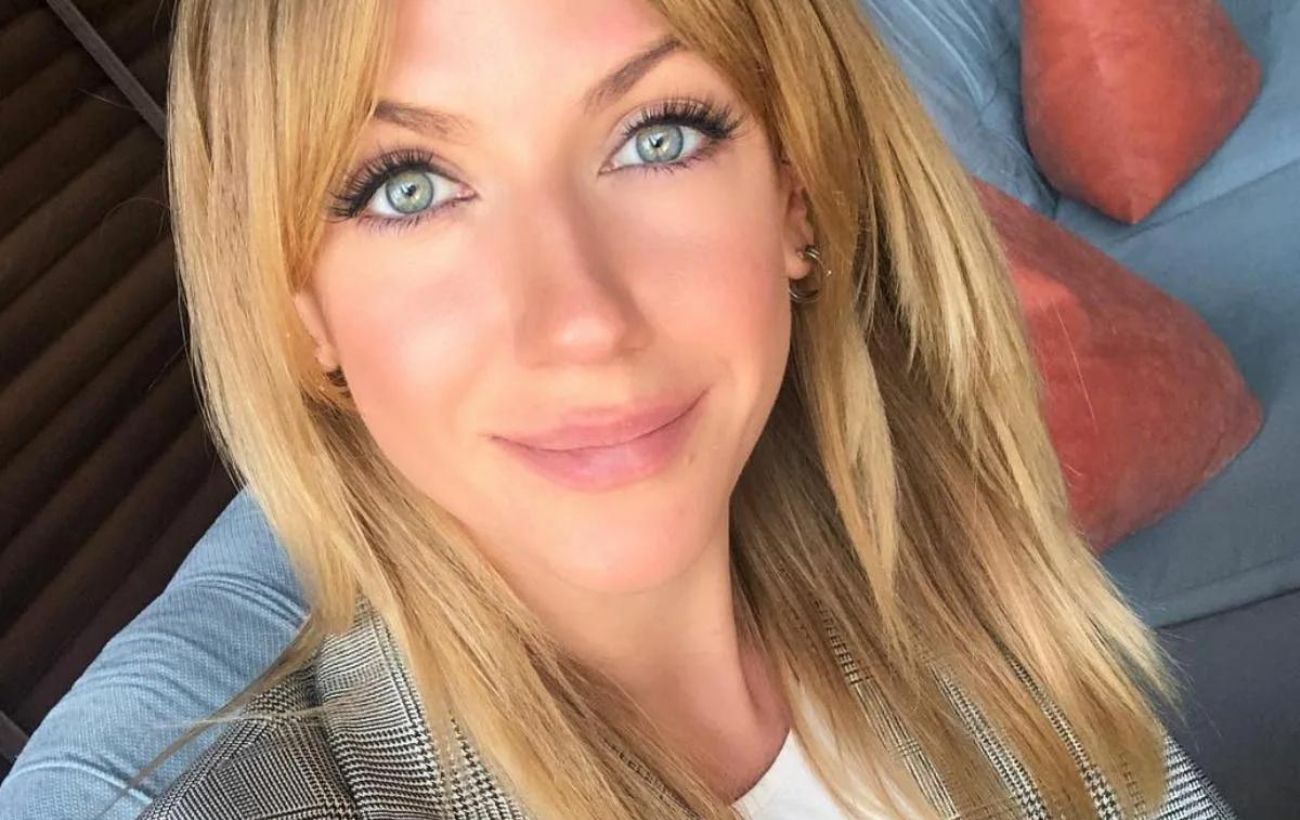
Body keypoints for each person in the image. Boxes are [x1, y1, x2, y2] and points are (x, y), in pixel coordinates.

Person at [97, 0, 1235, 817]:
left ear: (794, 198)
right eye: (408, 188)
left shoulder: (956, 576)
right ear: (302, 311)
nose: (582, 319)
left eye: (658, 137)